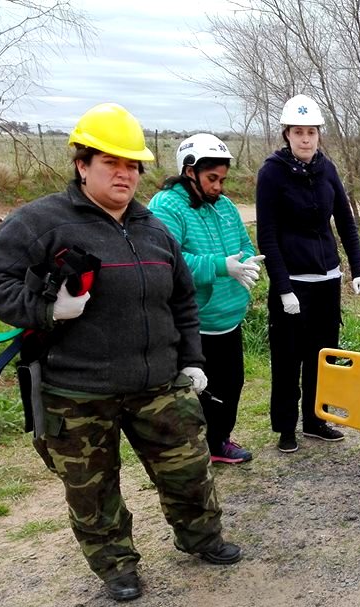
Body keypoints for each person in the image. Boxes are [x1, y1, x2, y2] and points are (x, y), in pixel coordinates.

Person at [0, 103, 241, 602]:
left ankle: (202, 538)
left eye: (133, 165)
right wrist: (48, 308)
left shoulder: (154, 228)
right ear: (81, 164)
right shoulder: (42, 221)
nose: (124, 174)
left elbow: (180, 297)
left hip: (158, 383)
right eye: (111, 162)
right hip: (77, 391)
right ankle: (116, 565)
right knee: (93, 492)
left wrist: (194, 360)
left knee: (188, 469)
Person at [256, 94, 360, 453]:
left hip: (327, 280)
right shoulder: (271, 173)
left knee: (323, 354)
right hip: (293, 284)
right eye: (298, 132)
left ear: (319, 135)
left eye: (312, 132)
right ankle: (286, 427)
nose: (306, 139)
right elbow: (267, 236)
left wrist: (358, 270)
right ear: (287, 134)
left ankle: (316, 420)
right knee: (288, 357)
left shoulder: (327, 169)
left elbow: (346, 224)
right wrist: (283, 286)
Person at [148, 134, 263, 464]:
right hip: (195, 321)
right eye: (212, 179)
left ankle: (218, 442)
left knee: (232, 384)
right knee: (197, 392)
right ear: (189, 171)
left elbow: (245, 244)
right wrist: (220, 266)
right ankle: (191, 450)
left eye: (223, 179)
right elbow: (169, 259)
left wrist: (246, 263)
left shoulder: (225, 207)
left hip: (229, 317)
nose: (218, 187)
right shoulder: (166, 206)